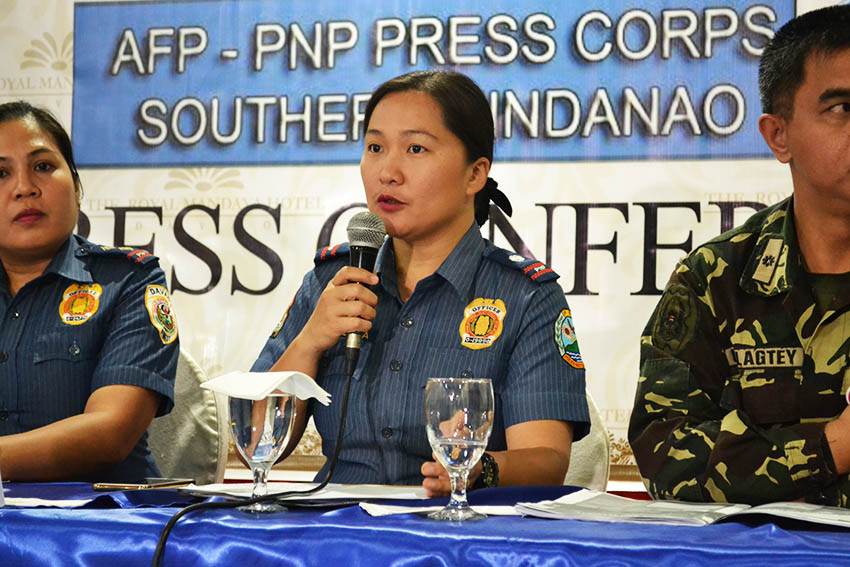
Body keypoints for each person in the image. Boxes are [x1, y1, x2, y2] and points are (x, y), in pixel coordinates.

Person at [252, 70, 590, 495]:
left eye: (415, 149)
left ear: (475, 174)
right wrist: (309, 342)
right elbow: (255, 442)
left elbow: (547, 462)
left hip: (457, 540)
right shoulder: (332, 279)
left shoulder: (525, 296)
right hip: (334, 530)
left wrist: (478, 469)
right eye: (375, 147)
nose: (387, 172)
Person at [629, 5, 850, 507]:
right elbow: (668, 464)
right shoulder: (716, 281)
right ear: (779, 135)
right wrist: (831, 449)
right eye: (843, 107)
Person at [0, 101, 178, 482]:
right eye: (0, 173)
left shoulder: (130, 281)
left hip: (97, 526)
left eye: (43, 167)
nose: (24, 188)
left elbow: (109, 433)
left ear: (77, 188)